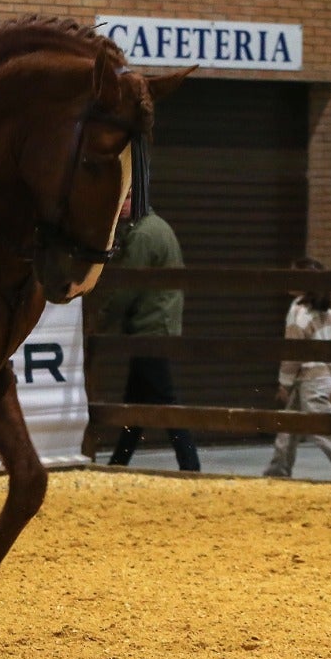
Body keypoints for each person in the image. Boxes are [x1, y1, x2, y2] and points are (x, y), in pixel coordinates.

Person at [95, 195, 200, 472]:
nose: (122, 204)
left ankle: (190, 464)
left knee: (164, 399)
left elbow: (127, 287)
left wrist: (100, 320)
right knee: (136, 403)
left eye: (129, 198)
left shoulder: (143, 235)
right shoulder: (157, 227)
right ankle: (119, 463)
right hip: (158, 324)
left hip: (150, 328)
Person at [263, 257, 331, 479]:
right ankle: (277, 470)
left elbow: (293, 352)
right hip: (322, 375)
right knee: (288, 425)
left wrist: (284, 383)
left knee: (320, 426)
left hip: (308, 378)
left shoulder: (298, 310)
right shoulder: (324, 311)